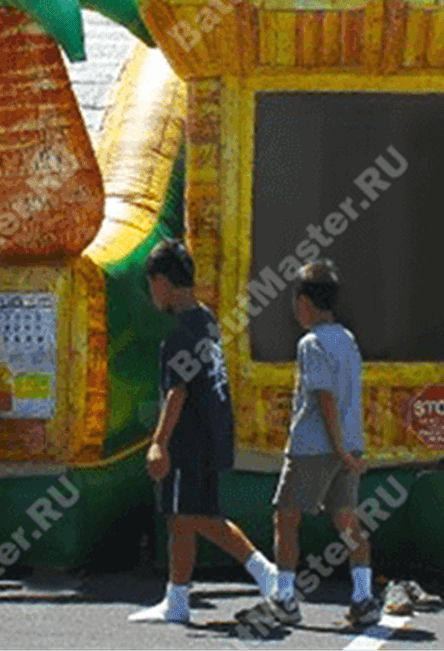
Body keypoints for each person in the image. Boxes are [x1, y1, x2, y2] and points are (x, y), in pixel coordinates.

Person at [130, 238, 275, 625]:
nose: (152, 293)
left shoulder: (180, 333)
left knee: (194, 516)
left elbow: (176, 392)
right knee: (183, 517)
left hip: (190, 439)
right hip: (212, 432)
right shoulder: (206, 320)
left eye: (152, 285)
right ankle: (177, 600)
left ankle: (266, 573)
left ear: (162, 283)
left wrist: (159, 443)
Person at [237, 259, 382, 632]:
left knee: (286, 516)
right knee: (347, 519)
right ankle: (363, 598)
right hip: (348, 445)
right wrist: (348, 452)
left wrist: (338, 449)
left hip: (314, 447)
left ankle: (285, 598)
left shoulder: (311, 343)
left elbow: (325, 398)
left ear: (304, 302)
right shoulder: (347, 339)